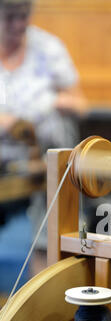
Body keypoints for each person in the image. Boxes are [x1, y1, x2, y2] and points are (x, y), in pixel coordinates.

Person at [0, 0, 86, 287]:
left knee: (56, 178)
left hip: (43, 159)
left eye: (24, 16)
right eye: (10, 17)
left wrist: (58, 102)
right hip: (4, 159)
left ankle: (43, 290)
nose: (19, 25)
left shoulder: (48, 48)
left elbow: (81, 105)